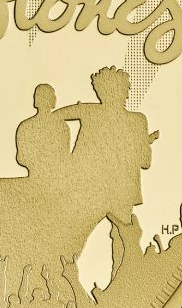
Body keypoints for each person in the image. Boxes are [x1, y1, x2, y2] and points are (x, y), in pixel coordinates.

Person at [55, 66, 158, 228]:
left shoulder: (88, 111)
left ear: (100, 91)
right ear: (125, 92)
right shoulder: (137, 120)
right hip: (121, 191)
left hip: (88, 189)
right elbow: (145, 161)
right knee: (123, 235)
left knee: (76, 230)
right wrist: (143, 143)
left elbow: (55, 117)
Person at [15, 83, 71, 180]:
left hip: (51, 177)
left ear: (36, 101)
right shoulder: (62, 126)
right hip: (47, 177)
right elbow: (22, 157)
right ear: (53, 101)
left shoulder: (25, 126)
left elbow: (21, 157)